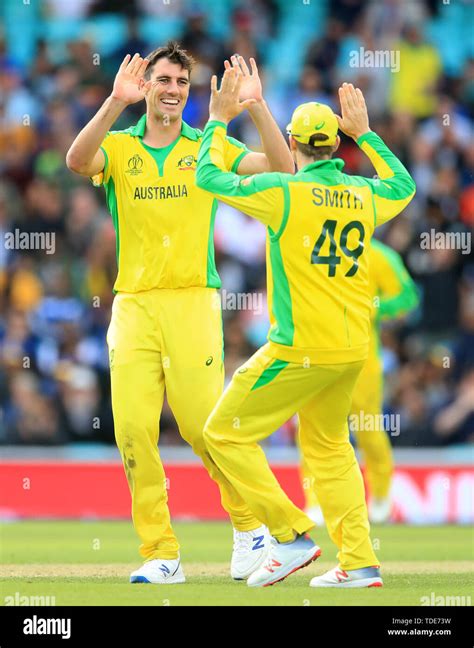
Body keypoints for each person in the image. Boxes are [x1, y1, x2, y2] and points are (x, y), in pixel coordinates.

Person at [66, 41, 295, 584]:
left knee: (203, 428)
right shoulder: (120, 149)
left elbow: (283, 169)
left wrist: (258, 106)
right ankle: (162, 553)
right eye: (163, 80)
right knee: (133, 430)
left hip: (194, 299)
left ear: (190, 93)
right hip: (134, 305)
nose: (172, 90)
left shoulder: (209, 146)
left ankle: (249, 528)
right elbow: (78, 160)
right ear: (146, 85)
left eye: (181, 83)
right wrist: (114, 102)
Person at [196, 71, 416, 587]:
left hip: (299, 348)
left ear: (292, 144)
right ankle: (359, 563)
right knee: (331, 449)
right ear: (336, 144)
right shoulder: (363, 193)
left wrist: (218, 119)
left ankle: (291, 534)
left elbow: (207, 178)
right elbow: (404, 184)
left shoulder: (283, 192)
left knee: (222, 433)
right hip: (352, 349)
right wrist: (367, 133)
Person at [301, 239, 420, 526]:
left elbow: (408, 296)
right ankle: (316, 501)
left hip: (363, 361)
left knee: (367, 428)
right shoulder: (314, 247)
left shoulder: (379, 255)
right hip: (318, 353)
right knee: (313, 428)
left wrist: (372, 307)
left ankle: (380, 497)